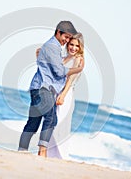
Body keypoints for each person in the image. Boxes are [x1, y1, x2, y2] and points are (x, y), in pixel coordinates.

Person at [18, 21, 84, 157]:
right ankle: (42, 152)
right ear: (58, 32)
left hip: (42, 88)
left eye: (69, 40)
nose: (67, 42)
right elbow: (59, 72)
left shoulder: (54, 49)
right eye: (66, 38)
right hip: (44, 88)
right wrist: (78, 69)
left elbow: (54, 66)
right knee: (51, 118)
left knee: (34, 121)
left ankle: (23, 150)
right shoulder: (53, 47)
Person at [47, 33, 84, 159]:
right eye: (71, 44)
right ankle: (50, 154)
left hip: (66, 95)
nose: (73, 48)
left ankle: (61, 156)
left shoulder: (78, 59)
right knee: (51, 123)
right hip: (56, 93)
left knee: (59, 124)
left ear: (80, 48)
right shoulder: (65, 57)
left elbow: (70, 80)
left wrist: (62, 95)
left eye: (76, 46)